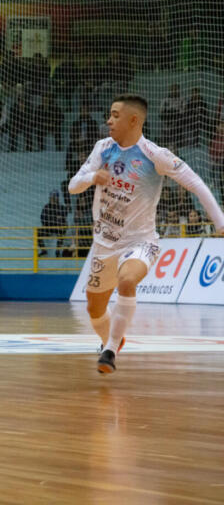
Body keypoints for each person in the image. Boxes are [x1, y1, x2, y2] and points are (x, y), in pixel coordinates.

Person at [69, 94, 224, 374]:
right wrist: (93, 177)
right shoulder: (102, 149)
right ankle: (111, 340)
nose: (109, 120)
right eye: (109, 114)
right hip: (104, 245)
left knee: (127, 281)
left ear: (133, 120)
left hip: (140, 242)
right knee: (94, 309)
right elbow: (73, 186)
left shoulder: (155, 155)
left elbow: (196, 183)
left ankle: (111, 350)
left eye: (115, 115)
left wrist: (219, 221)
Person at [38, 190, 69, 257]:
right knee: (38, 232)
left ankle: (58, 250)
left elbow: (63, 217)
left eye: (54, 197)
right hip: (48, 227)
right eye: (52, 197)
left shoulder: (62, 207)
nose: (53, 199)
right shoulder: (46, 207)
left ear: (57, 198)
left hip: (58, 227)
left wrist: (54, 220)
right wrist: (55, 219)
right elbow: (43, 218)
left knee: (62, 230)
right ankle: (43, 250)